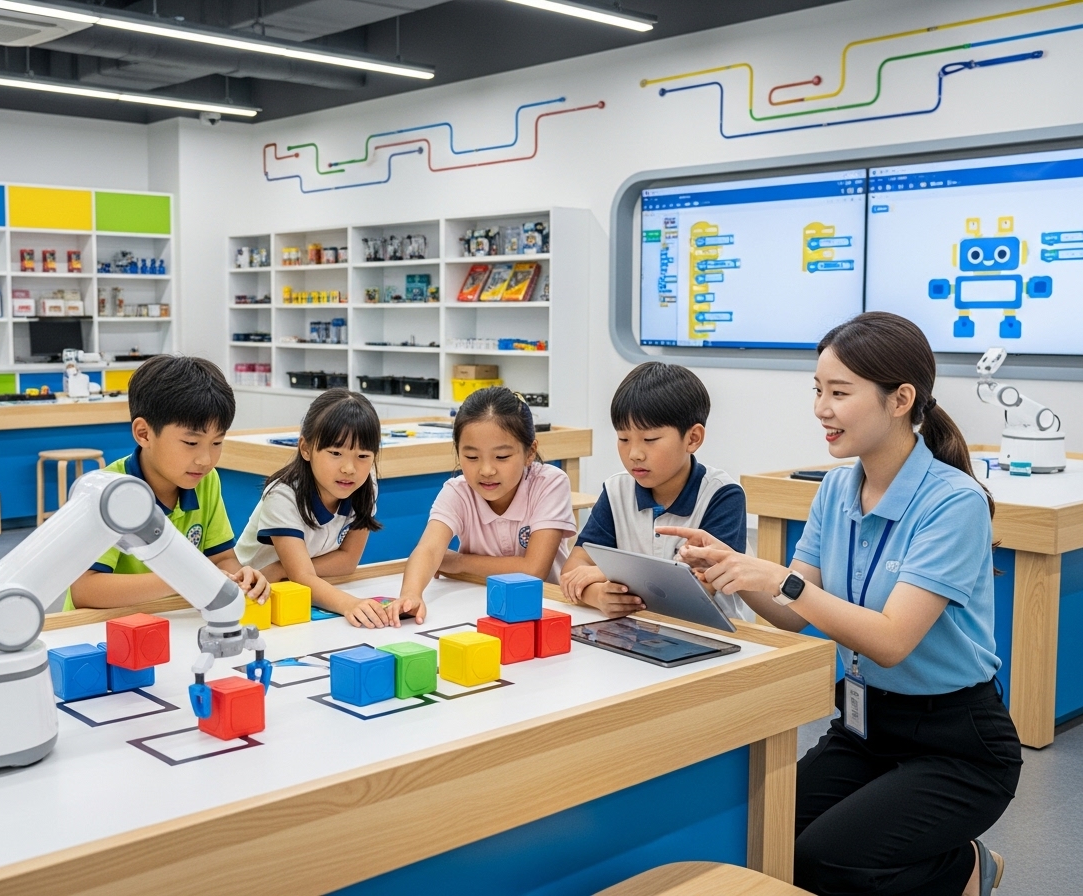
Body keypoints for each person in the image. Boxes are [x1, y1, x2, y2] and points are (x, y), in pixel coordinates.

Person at [665, 312, 1020, 896]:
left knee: (828, 862)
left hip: (957, 744)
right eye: (817, 390)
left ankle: (965, 869)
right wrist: (731, 569)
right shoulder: (836, 487)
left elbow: (889, 639)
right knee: (768, 838)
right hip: (862, 723)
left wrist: (781, 578)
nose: (820, 408)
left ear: (900, 399)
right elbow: (790, 613)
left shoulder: (952, 502)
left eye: (839, 392)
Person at [67, 355, 270, 610]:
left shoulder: (205, 481)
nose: (206, 460)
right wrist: (185, 578)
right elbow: (85, 591)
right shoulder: (108, 493)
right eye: (191, 443)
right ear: (144, 433)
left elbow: (221, 559)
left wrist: (240, 578)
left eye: (217, 442)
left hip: (170, 622)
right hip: (100, 630)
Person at [559, 361, 749, 620]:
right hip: (635, 630)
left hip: (710, 632)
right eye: (623, 439)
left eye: (650, 440)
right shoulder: (617, 490)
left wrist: (606, 573)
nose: (634, 454)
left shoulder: (722, 495)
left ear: (692, 438)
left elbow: (697, 587)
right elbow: (574, 570)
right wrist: (597, 595)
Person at [392, 387, 577, 624]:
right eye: (471, 457)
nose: (486, 470)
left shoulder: (549, 483)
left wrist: (457, 562)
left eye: (501, 457)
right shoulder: (457, 491)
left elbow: (533, 572)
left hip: (546, 608)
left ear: (530, 452)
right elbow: (428, 550)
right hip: (480, 604)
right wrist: (410, 595)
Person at [235, 389, 388, 628]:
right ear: (305, 449)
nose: (349, 468)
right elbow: (302, 576)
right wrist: (349, 604)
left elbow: (348, 561)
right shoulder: (283, 495)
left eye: (363, 455)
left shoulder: (367, 484)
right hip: (253, 597)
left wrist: (280, 569)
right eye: (335, 453)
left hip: (298, 585)